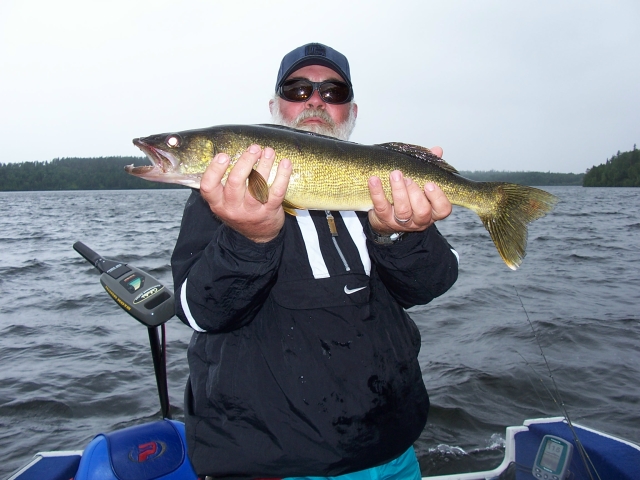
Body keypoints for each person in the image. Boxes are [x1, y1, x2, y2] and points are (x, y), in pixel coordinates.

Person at [171, 43, 459, 480]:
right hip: (274, 461)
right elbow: (201, 312)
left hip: (391, 447)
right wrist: (248, 238)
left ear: (352, 111)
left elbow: (430, 286)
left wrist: (397, 233)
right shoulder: (223, 199)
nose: (316, 101)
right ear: (274, 106)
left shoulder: (380, 185)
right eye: (298, 89)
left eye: (333, 92)